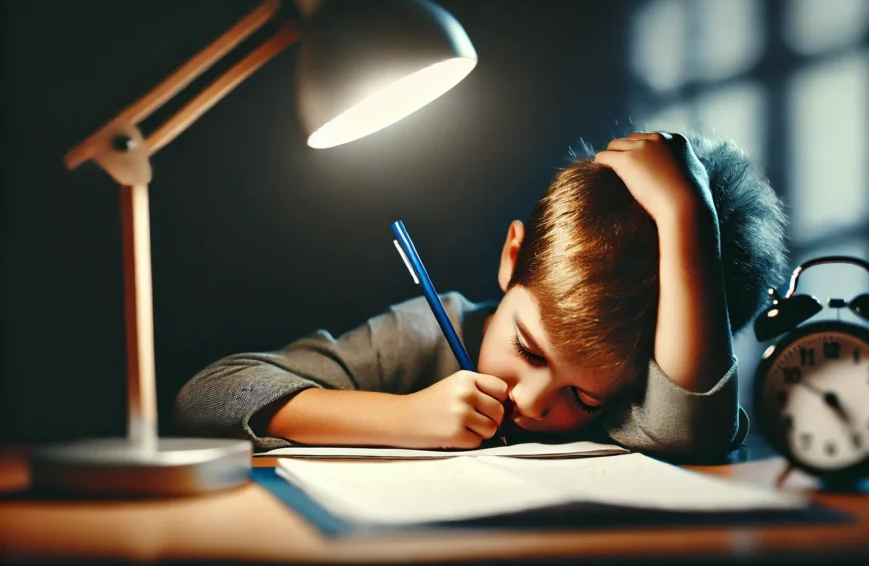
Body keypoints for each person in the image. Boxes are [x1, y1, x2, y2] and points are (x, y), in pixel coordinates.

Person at [173, 131, 788, 459]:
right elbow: (209, 397)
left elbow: (695, 431)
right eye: (528, 348)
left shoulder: (637, 406)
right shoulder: (419, 336)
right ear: (512, 256)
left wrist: (689, 214)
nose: (534, 403)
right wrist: (402, 418)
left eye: (584, 394)